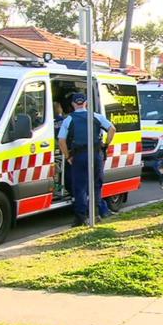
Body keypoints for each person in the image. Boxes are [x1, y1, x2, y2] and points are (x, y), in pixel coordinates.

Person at [58, 93, 116, 226]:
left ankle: (81, 217)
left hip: (79, 156)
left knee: (80, 187)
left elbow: (61, 140)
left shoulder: (69, 119)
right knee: (96, 185)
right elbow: (112, 129)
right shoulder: (96, 116)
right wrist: (106, 144)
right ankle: (95, 214)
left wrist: (68, 156)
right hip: (96, 155)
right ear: (86, 103)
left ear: (73, 104)